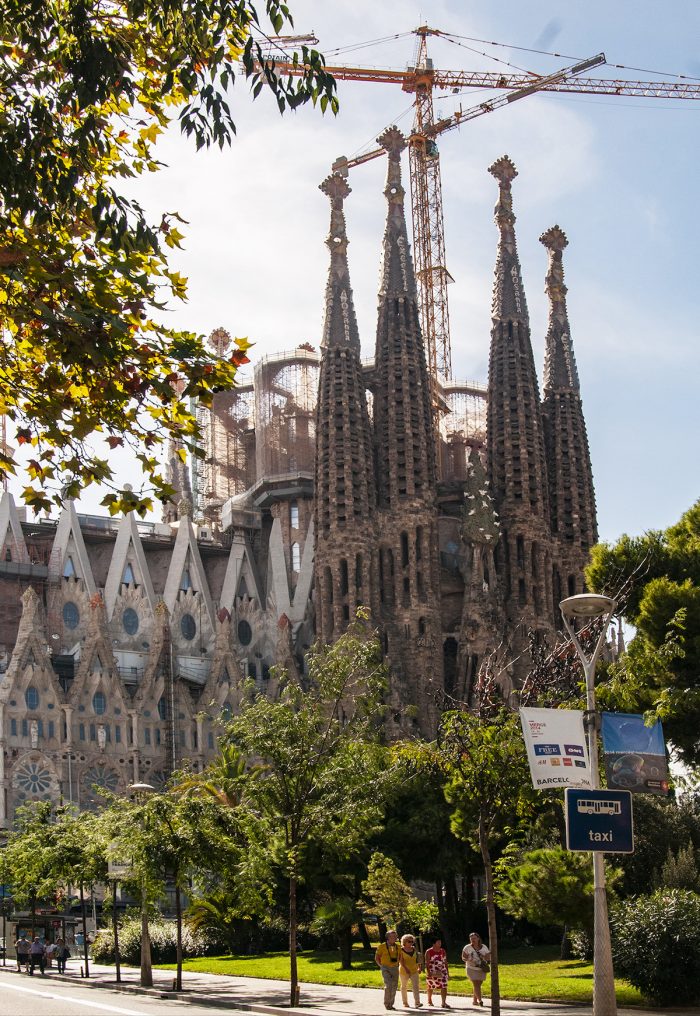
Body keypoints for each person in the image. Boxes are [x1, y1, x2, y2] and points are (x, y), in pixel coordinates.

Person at [462, 932, 490, 1007]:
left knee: (478, 984)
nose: (472, 940)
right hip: (471, 968)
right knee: (476, 984)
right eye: (471, 939)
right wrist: (468, 959)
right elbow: (463, 957)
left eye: (474, 938)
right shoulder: (467, 947)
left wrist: (484, 957)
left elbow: (488, 958)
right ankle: (480, 1000)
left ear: (478, 938)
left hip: (481, 968)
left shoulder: (484, 947)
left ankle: (474, 1001)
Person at [375, 928, 401, 1010]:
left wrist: (398, 964)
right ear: (388, 937)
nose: (394, 938)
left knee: (394, 986)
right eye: (392, 936)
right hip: (385, 967)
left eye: (395, 936)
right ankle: (387, 1003)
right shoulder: (382, 946)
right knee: (388, 985)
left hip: (395, 968)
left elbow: (400, 957)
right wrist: (381, 966)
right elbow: (377, 957)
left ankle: (391, 1004)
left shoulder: (398, 946)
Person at [424, 936, 450, 1008]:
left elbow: (445, 961)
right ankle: (429, 1000)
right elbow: (427, 963)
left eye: (440, 942)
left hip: (442, 970)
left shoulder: (443, 951)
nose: (440, 943)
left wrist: (447, 972)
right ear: (434, 943)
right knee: (431, 986)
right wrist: (429, 972)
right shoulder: (429, 951)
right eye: (438, 942)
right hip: (432, 970)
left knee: (444, 986)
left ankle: (443, 1002)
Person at [399, 933, 423, 1009]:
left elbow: (418, 959)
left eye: (412, 941)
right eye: (409, 941)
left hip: (414, 970)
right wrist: (406, 969)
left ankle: (417, 1003)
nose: (411, 943)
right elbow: (401, 961)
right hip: (403, 970)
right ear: (404, 942)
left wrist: (419, 967)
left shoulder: (414, 949)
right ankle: (405, 1003)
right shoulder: (400, 950)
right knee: (404, 987)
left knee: (416, 986)